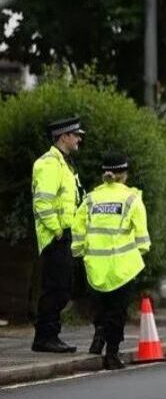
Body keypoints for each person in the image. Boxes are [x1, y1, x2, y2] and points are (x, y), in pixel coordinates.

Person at [70, 153, 151, 370]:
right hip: (122, 268)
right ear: (124, 175)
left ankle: (99, 334)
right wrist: (139, 252)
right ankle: (112, 354)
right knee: (117, 311)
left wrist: (79, 251)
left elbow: (78, 228)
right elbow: (142, 238)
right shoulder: (132, 199)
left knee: (100, 306)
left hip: (95, 266)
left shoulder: (91, 199)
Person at [30, 116, 85, 353]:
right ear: (64, 136)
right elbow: (43, 202)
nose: (79, 139)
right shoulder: (49, 164)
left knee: (62, 287)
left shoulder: (64, 164)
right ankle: (45, 337)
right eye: (76, 135)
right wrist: (57, 230)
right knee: (55, 289)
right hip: (56, 237)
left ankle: (49, 335)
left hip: (65, 235)